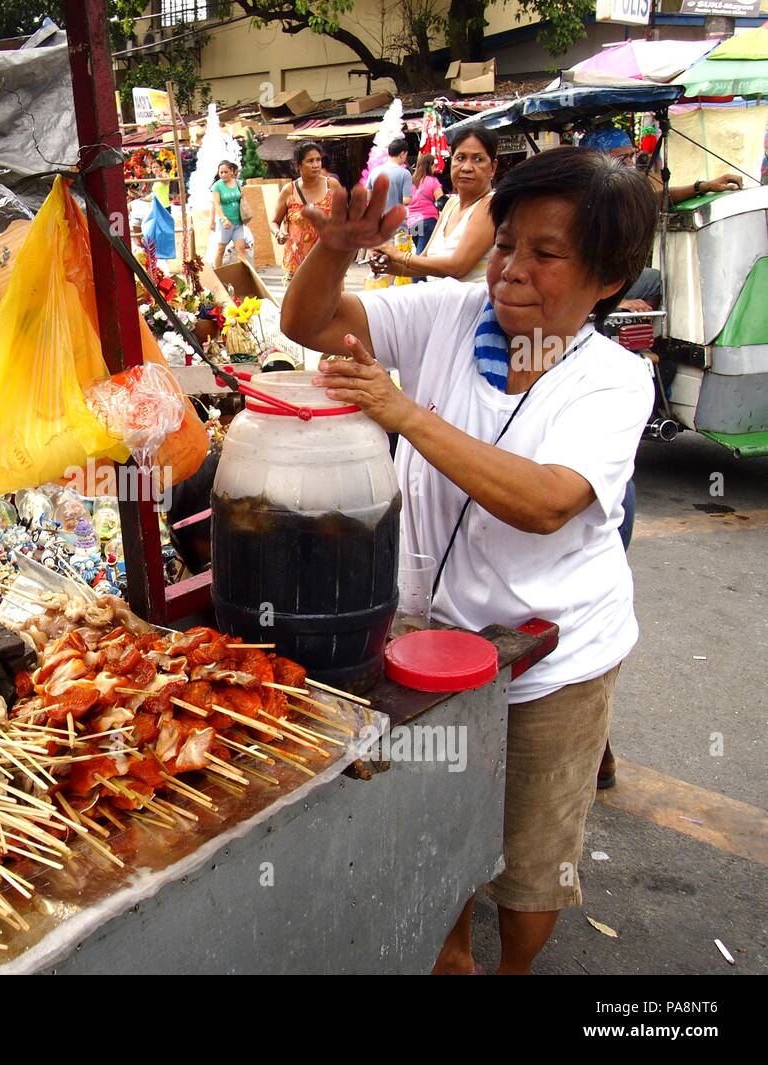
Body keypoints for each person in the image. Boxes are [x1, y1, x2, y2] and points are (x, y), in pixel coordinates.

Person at [282, 147, 656, 974]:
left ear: (607, 277)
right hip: (433, 647)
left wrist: (403, 411)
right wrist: (337, 245)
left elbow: (547, 499)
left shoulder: (614, 380)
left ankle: (512, 966)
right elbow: (307, 324)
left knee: (529, 859)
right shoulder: (450, 313)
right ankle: (452, 955)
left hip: (550, 662)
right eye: (506, 244)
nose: (512, 270)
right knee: (440, 818)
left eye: (546, 254)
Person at [372, 129, 499, 283]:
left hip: (472, 306)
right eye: (460, 158)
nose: (466, 167)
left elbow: (457, 267)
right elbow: (424, 261)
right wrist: (388, 266)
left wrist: (398, 255)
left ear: (492, 168)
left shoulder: (490, 206)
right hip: (440, 301)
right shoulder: (451, 204)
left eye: (478, 159)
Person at [579, 127, 743, 205]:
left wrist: (704, 186)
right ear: (596, 159)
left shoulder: (626, 189)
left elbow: (654, 199)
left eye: (631, 155)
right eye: (622, 158)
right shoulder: (583, 196)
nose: (629, 163)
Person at [271, 141, 335, 280]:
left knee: (330, 302)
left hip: (328, 261)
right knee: (299, 302)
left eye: (318, 160)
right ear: (297, 165)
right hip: (297, 264)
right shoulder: (289, 190)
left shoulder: (331, 185)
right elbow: (274, 221)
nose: (316, 165)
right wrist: (278, 233)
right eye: (310, 161)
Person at [210, 160, 252, 269]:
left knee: (241, 250)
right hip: (226, 224)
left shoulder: (237, 183)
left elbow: (241, 198)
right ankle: (217, 273)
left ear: (231, 171)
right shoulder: (217, 186)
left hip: (238, 222)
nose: (223, 175)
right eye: (221, 172)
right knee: (221, 249)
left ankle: (245, 276)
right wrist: (223, 219)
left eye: (225, 172)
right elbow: (217, 204)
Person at [406, 151, 445, 255]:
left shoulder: (411, 181)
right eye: (434, 165)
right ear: (429, 166)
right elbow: (441, 202)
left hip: (412, 222)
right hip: (428, 220)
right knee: (422, 252)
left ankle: (415, 268)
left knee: (419, 247)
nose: (435, 168)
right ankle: (413, 270)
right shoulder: (433, 181)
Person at [367, 138, 413, 217]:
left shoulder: (374, 171)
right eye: (406, 154)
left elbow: (368, 196)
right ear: (402, 154)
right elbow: (406, 200)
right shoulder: (405, 173)